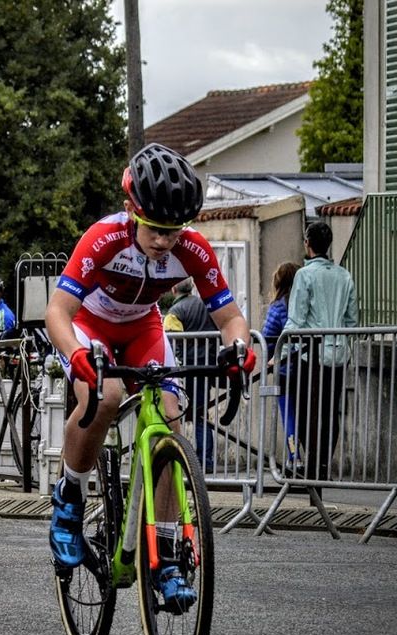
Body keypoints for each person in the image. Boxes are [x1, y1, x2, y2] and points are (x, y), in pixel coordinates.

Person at [45, 143, 254, 610]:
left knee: (170, 416)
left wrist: (239, 349)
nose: (164, 241)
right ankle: (69, 498)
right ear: (130, 211)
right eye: (155, 229)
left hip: (143, 326)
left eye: (173, 231)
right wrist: (77, 354)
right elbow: (58, 312)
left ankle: (167, 554)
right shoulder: (103, 238)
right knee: (105, 396)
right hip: (90, 325)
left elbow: (230, 318)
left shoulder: (193, 249)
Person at [282, 221, 359, 484]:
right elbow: (352, 321)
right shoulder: (344, 275)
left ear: (307, 244)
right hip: (338, 354)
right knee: (330, 411)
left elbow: (296, 319)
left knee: (305, 410)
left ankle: (313, 464)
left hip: (310, 355)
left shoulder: (304, 275)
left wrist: (281, 352)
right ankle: (323, 463)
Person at [162, 278, 217, 472]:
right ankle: (205, 458)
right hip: (209, 364)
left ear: (173, 287)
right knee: (202, 411)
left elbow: (171, 343)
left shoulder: (175, 312)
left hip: (190, 367)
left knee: (193, 412)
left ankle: (200, 461)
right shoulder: (204, 305)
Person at [262, 261, 300, 466]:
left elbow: (267, 335)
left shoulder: (278, 307)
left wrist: (271, 360)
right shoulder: (302, 305)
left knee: (289, 417)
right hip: (307, 367)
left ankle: (294, 457)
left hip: (284, 369)